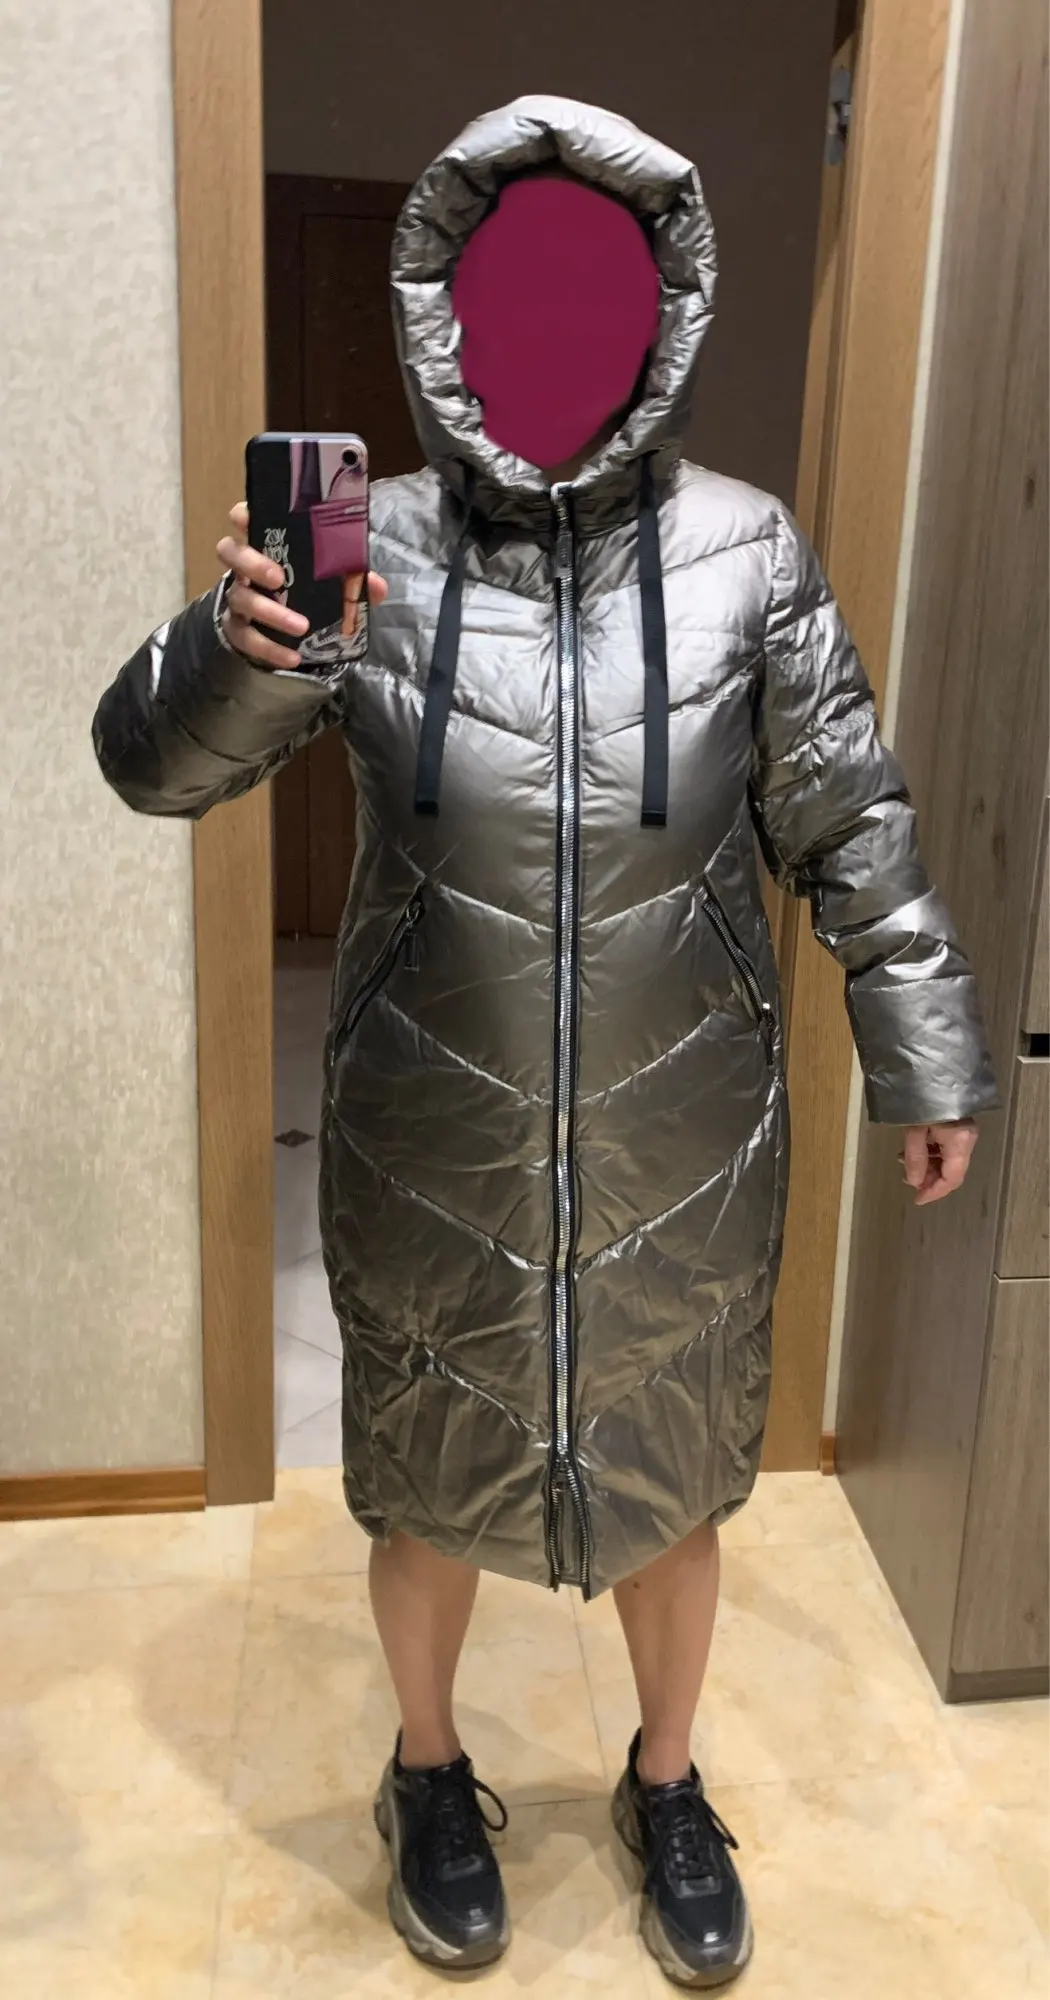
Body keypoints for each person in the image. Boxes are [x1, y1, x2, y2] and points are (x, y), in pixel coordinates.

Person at [93, 96, 997, 1992]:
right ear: (445, 319)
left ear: (666, 317)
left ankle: (666, 1782)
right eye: (513, 294)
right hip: (433, 1124)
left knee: (673, 1470)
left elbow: (848, 818)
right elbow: (153, 773)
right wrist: (235, 657)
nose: (557, 334)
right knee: (427, 1468)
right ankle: (426, 1771)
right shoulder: (372, 552)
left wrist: (924, 1051)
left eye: (602, 293)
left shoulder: (748, 553)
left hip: (688, 1129)